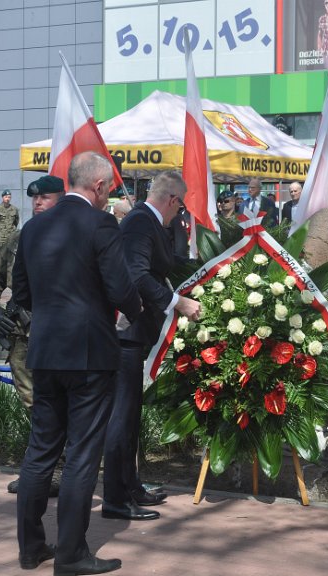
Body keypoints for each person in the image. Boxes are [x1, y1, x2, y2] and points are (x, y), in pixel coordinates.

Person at [12, 152, 142, 576]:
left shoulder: (33, 227)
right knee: (83, 455)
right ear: (100, 186)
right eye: (109, 189)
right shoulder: (101, 223)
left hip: (45, 351)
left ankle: (31, 548)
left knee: (40, 452)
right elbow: (121, 288)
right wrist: (133, 309)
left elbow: (23, 294)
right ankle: (70, 554)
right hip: (89, 354)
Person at [103, 172, 202, 522]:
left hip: (135, 334)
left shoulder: (146, 222)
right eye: (182, 205)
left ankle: (129, 486)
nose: (180, 214)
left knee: (130, 418)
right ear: (173, 200)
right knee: (121, 417)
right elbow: (137, 274)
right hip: (124, 334)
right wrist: (178, 303)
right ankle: (115, 498)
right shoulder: (141, 223)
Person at [0, 175, 64, 495]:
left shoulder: (71, 237)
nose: (38, 203)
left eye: (45, 198)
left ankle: (59, 470)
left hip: (59, 335)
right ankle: (42, 472)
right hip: (23, 336)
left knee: (58, 404)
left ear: (61, 198)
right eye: (34, 198)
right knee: (33, 403)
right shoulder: (17, 238)